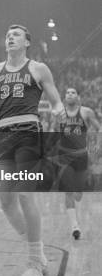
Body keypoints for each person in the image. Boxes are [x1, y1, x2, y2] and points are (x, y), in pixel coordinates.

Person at [0, 25, 66, 276]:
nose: (10, 37)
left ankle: (33, 262)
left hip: (28, 132)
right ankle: (39, 251)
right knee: (6, 203)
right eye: (8, 34)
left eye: (16, 34)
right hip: (2, 135)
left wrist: (60, 115)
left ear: (27, 42)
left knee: (24, 194)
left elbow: (55, 101)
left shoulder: (38, 69)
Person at [54, 86, 101, 239]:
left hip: (81, 155)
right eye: (67, 92)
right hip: (64, 156)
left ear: (78, 97)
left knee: (78, 194)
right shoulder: (59, 114)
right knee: (68, 191)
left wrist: (96, 145)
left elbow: (98, 128)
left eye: (73, 92)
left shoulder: (86, 112)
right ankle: (75, 226)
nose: (70, 94)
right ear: (64, 97)